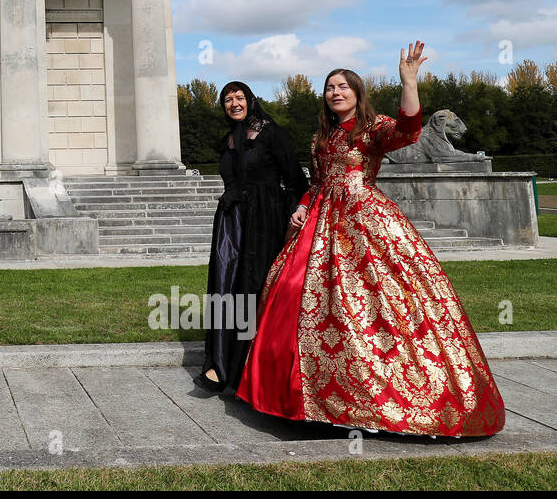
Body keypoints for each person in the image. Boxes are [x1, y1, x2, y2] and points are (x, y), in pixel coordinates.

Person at [237, 43, 505, 436]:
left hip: (366, 222)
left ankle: (379, 402)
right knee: (294, 293)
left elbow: (409, 131)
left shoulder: (373, 128)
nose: (336, 92)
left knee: (379, 304)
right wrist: (303, 204)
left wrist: (408, 82)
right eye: (330, 87)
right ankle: (303, 398)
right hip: (321, 223)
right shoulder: (320, 138)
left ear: (357, 93)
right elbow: (318, 181)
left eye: (344, 86)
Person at [197, 81, 307, 393]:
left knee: (254, 286)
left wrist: (294, 214)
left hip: (265, 220)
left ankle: (251, 370)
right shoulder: (228, 140)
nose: (233, 103)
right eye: (227, 99)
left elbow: (295, 179)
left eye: (239, 97)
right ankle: (220, 365)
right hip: (231, 222)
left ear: (250, 100)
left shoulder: (271, 133)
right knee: (226, 287)